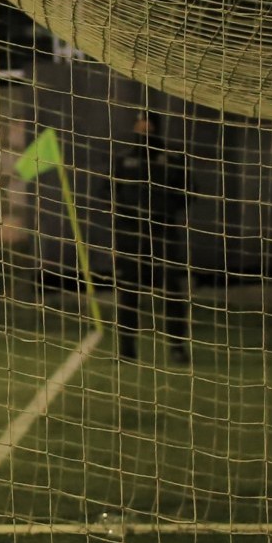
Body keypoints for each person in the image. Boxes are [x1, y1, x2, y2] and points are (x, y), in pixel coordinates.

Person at [110, 111, 191, 362]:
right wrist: (126, 214)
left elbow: (190, 190)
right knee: (129, 292)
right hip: (131, 237)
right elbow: (107, 193)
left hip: (163, 234)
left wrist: (164, 207)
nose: (143, 129)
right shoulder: (123, 160)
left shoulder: (172, 159)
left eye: (148, 124)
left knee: (171, 291)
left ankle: (177, 347)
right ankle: (126, 350)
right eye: (140, 123)